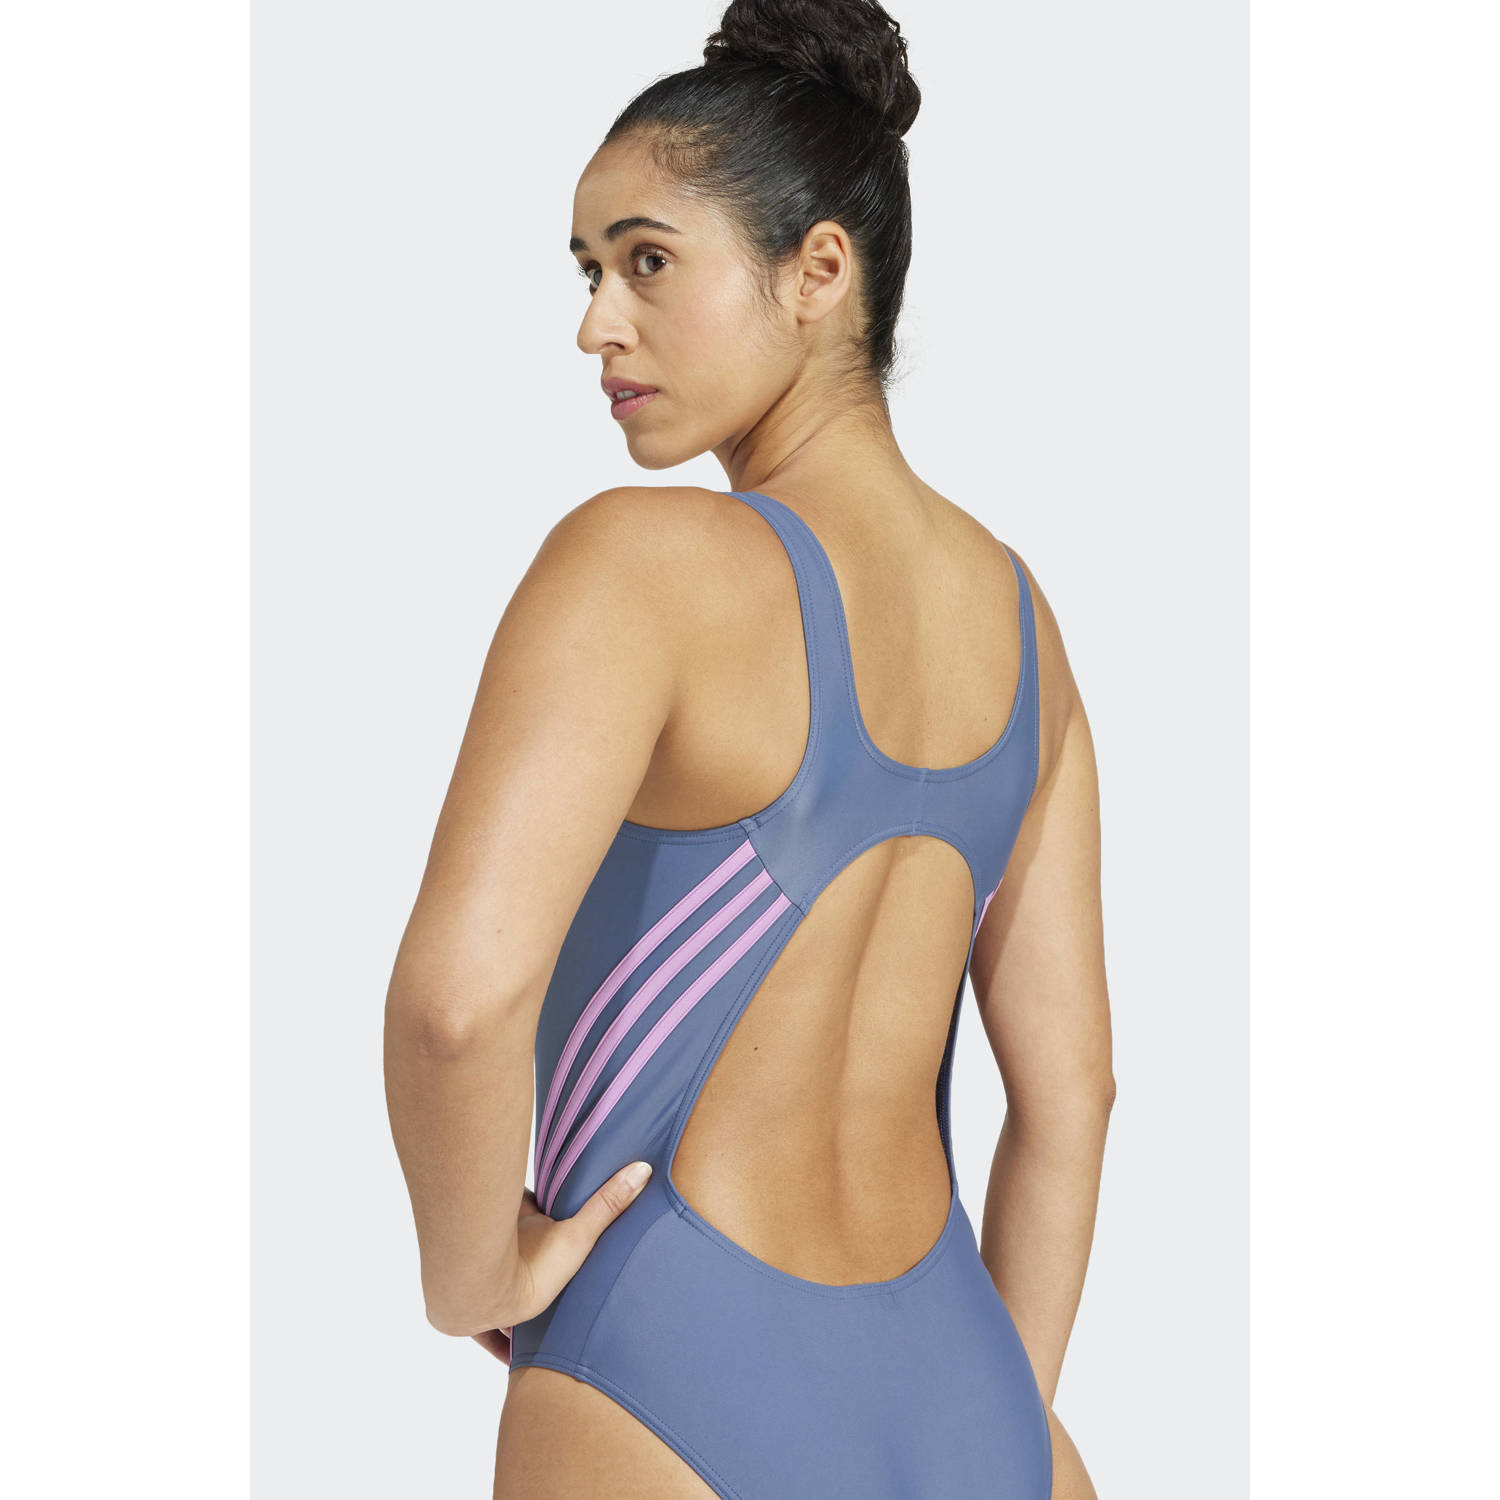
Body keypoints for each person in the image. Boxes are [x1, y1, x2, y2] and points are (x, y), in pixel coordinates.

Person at [384, 3, 1113, 1495]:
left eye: (647, 261)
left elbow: (457, 1007)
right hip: (967, 1395)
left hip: (664, 1377)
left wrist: (474, 1278)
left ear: (818, 271)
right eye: (588, 271)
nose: (597, 323)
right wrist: (998, 1421)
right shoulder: (1022, 623)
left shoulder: (640, 566)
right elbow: (1072, 1096)